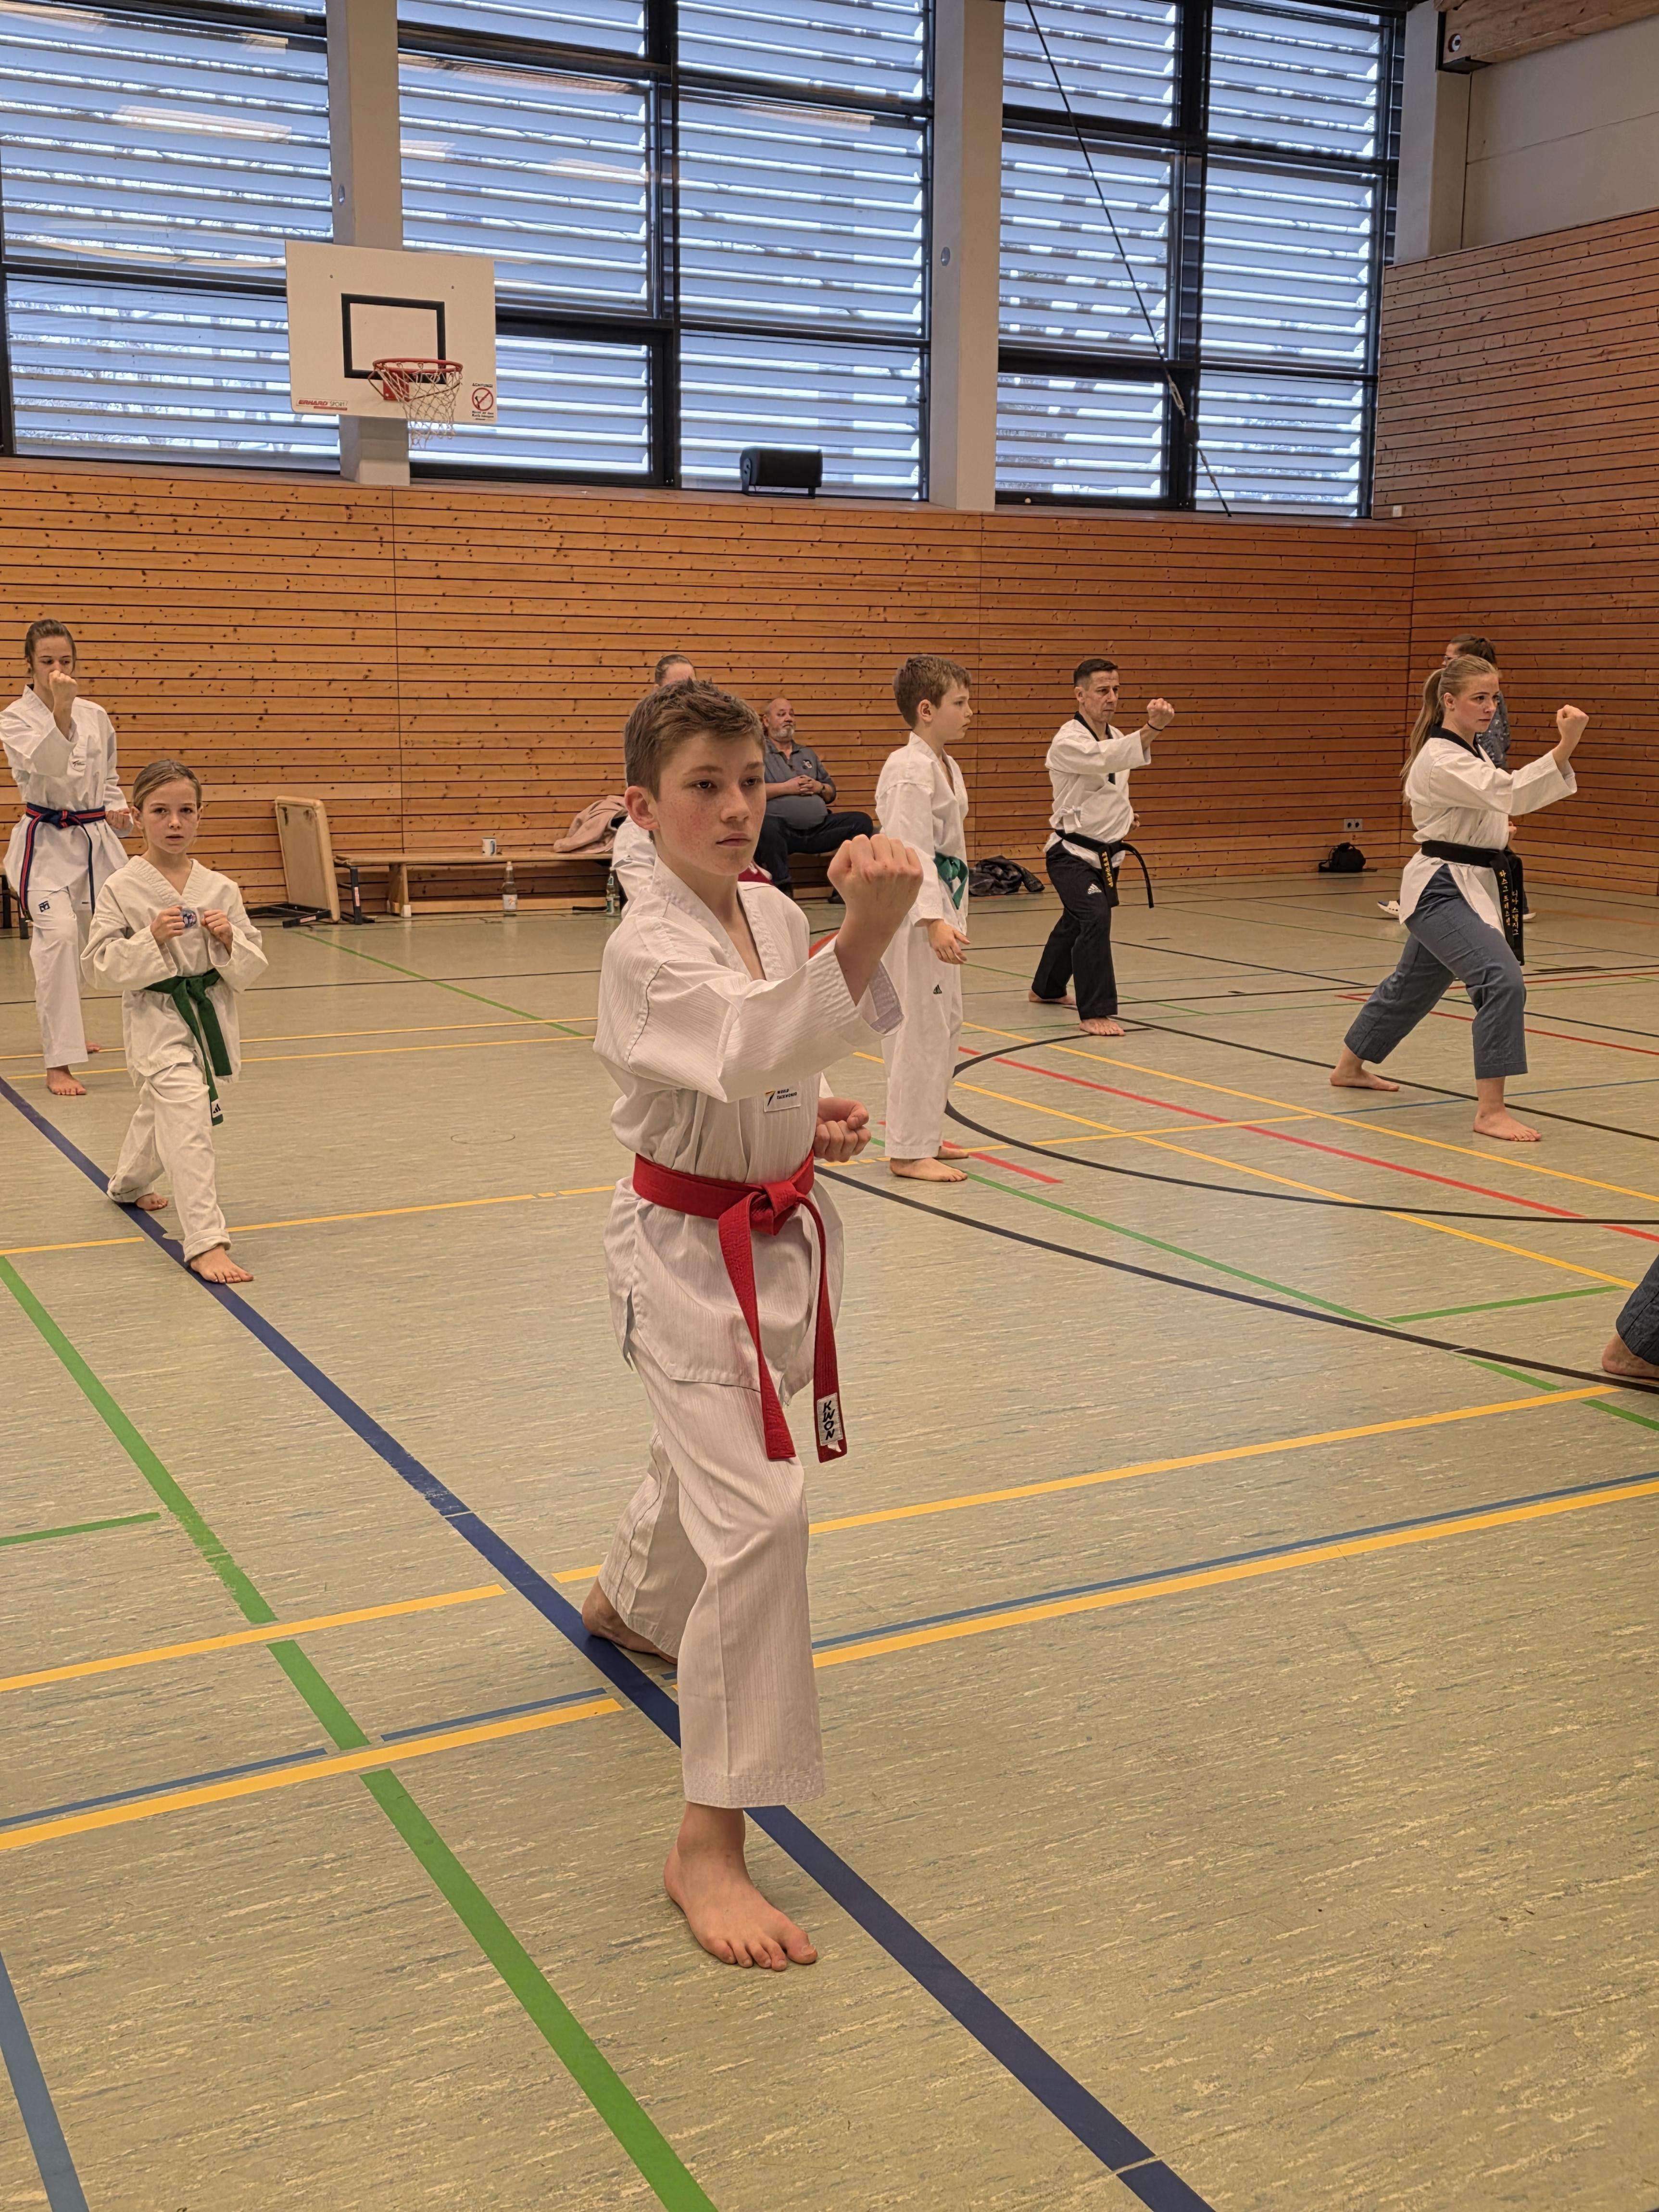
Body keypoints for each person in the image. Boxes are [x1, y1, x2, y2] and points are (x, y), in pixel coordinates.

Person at [581, 679, 916, 1971]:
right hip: (683, 1258)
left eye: (746, 782)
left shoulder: (769, 908)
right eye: (702, 788)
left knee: (704, 1464)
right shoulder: (644, 946)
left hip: (772, 1236)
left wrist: (799, 1123)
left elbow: (778, 1062)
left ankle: (626, 1601)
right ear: (643, 806)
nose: (733, 808)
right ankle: (707, 1843)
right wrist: (868, 935)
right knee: (763, 1516)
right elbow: (735, 1044)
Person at [1331, 656, 1586, 1143]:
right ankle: (1490, 1112)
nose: (1490, 707)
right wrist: (1566, 743)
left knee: (1412, 985)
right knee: (1501, 980)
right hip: (1442, 889)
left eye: (1495, 698)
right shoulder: (1442, 758)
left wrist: (1494, 832)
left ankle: (1349, 1067)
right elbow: (1510, 793)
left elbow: (1478, 808)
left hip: (1470, 881)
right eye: (1479, 698)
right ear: (1450, 701)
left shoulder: (1472, 750)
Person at [82, 757, 267, 1283]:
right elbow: (97, 966)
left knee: (160, 1109)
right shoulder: (122, 887)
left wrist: (229, 940)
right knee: (187, 1116)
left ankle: (127, 1183)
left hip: (208, 1016)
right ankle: (206, 1240)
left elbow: (254, 963)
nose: (174, 823)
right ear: (138, 815)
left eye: (186, 811)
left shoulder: (221, 888)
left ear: (200, 815)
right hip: (156, 1018)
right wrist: (151, 939)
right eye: (160, 811)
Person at [2, 617, 136, 1096]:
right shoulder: (15, 718)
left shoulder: (96, 715)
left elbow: (108, 779)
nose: (58, 669)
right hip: (44, 847)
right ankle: (58, 1062)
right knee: (58, 937)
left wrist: (119, 812)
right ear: (29, 665)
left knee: (114, 932)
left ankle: (84, 1031)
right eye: (47, 661)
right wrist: (60, 709)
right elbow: (48, 765)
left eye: (66, 661)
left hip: (95, 841)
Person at [1028, 657, 1175, 1037]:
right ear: (1080, 695)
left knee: (1076, 920)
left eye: (1116, 690)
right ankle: (1095, 1010)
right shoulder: (1068, 742)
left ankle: (1046, 988)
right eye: (1102, 691)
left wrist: (1124, 817)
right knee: (1095, 916)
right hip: (1070, 855)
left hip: (1108, 854)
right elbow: (1104, 760)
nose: (1111, 698)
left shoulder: (1116, 736)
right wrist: (1153, 728)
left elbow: (1107, 790)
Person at [875, 654, 974, 1182]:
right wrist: (931, 919)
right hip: (913, 914)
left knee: (945, 1023)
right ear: (927, 709)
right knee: (918, 1027)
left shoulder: (943, 764)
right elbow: (909, 847)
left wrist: (948, 915)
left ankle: (925, 1134)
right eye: (960, 703)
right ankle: (907, 1150)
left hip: (946, 901)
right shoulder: (908, 769)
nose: (969, 712)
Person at [752, 696, 874, 897]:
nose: (789, 718)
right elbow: (750, 791)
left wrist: (820, 787)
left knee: (862, 822)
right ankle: (783, 889)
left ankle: (844, 887)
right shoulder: (758, 753)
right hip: (782, 833)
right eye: (782, 714)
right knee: (765, 825)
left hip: (818, 830)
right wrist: (787, 788)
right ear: (766, 721)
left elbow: (831, 793)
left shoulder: (807, 754)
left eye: (792, 714)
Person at [611, 653, 698, 901]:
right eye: (676, 688)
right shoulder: (644, 731)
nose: (685, 695)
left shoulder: (705, 729)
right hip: (652, 826)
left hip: (693, 825)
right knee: (652, 905)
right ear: (657, 690)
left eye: (691, 686)